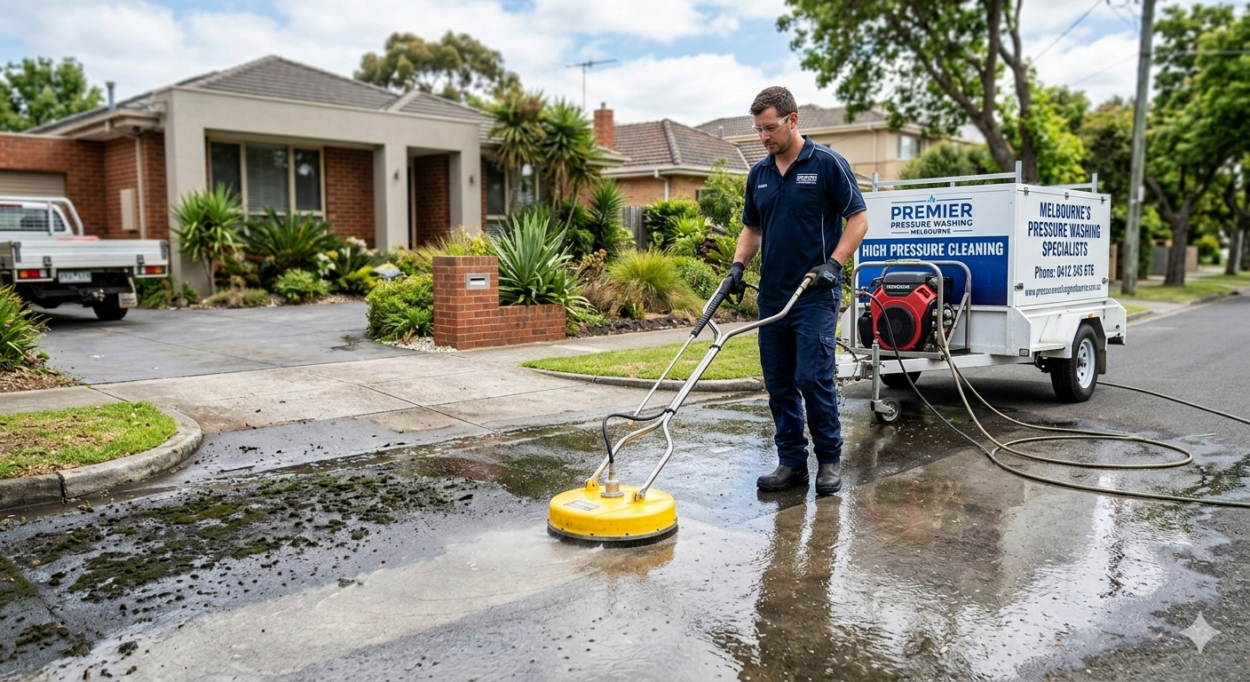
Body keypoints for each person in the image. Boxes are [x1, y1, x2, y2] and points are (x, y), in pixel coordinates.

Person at [727, 86, 869, 495]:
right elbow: (752, 228)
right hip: (773, 296)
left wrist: (834, 264)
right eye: (758, 130)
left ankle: (828, 459)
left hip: (814, 294)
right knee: (779, 383)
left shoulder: (826, 164)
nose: (764, 137)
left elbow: (858, 219)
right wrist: (737, 266)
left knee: (813, 377)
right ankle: (791, 462)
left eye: (769, 128)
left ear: (793, 120)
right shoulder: (760, 174)